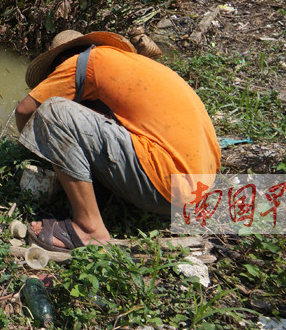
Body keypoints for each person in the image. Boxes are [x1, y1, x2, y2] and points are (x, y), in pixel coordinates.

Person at [13, 30, 220, 251]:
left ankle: (88, 229)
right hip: (203, 184)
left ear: (62, 63)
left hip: (169, 184)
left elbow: (24, 110)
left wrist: (40, 152)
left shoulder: (81, 62)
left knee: (53, 111)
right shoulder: (127, 65)